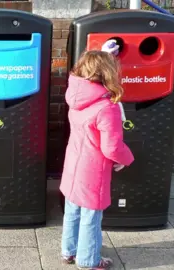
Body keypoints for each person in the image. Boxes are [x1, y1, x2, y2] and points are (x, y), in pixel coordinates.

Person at [59, 40, 134, 270]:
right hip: (93, 170)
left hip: (73, 163)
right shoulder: (106, 107)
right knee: (92, 217)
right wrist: (127, 158)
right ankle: (88, 260)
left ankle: (69, 251)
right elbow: (111, 147)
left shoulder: (76, 97)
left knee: (72, 209)